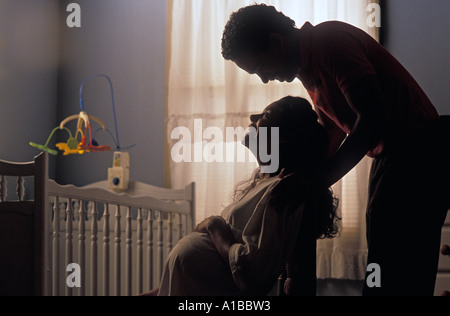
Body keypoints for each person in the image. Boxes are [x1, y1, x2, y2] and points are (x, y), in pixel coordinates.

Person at [221, 4, 450, 296]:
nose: (265, 79)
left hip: (417, 148)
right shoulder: (307, 67)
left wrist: (314, 182)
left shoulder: (329, 43)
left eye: (260, 68)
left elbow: (372, 120)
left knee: (396, 256)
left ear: (276, 42)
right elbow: (333, 128)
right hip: (395, 151)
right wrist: (296, 176)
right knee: (387, 252)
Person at [150, 96, 340, 296]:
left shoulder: (282, 192)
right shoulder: (261, 185)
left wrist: (215, 227)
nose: (253, 116)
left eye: (266, 115)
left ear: (283, 137)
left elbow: (250, 272)